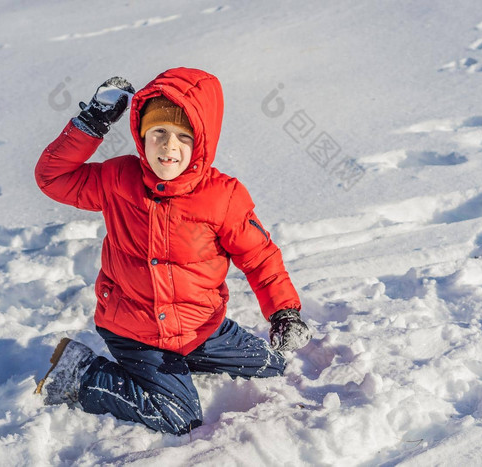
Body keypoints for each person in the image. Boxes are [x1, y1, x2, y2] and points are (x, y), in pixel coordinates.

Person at [34, 67, 311, 435]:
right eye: (159, 132)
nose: (169, 146)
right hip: (135, 328)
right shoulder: (118, 180)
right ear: (141, 134)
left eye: (183, 136)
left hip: (201, 328)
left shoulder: (223, 197)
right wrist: (92, 123)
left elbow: (259, 257)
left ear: (202, 142)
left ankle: (186, 361)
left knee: (273, 365)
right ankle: (82, 372)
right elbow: (52, 178)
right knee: (178, 417)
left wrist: (284, 313)